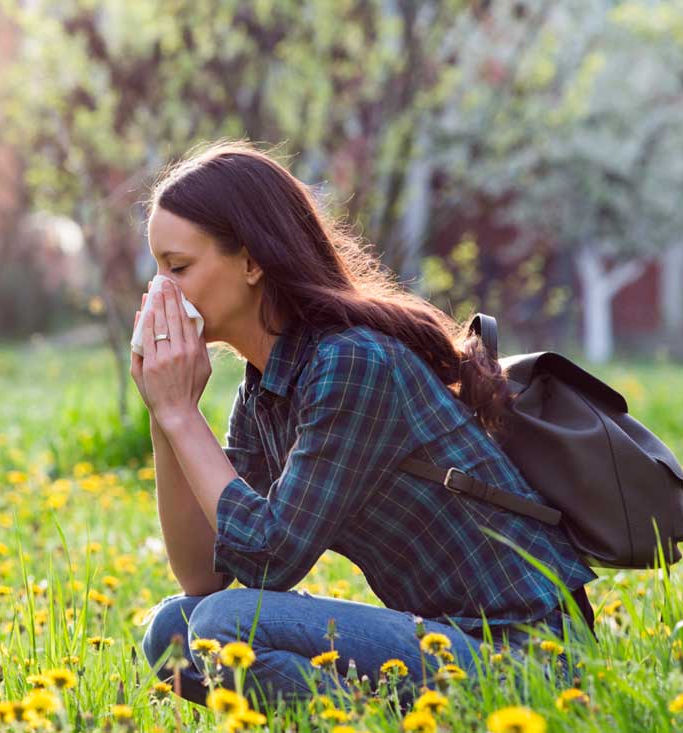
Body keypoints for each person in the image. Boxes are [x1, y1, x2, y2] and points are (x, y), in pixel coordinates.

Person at [129, 140, 597, 710]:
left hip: (528, 656)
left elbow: (269, 560)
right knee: (173, 632)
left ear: (251, 262)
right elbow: (203, 575)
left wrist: (182, 416)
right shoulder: (264, 391)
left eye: (178, 268)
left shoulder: (350, 362)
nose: (160, 292)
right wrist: (165, 415)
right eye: (157, 269)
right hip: (445, 641)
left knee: (225, 626)